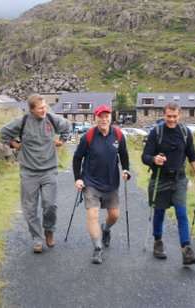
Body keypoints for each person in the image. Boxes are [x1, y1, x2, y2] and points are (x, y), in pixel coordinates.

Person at [0, 94, 71, 253]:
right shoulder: (23, 122)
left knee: (50, 206)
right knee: (30, 209)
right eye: (40, 108)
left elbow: (67, 126)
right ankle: (37, 239)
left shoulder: (52, 119)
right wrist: (14, 144)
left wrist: (62, 140)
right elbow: (3, 132)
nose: (44, 110)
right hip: (28, 172)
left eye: (45, 106)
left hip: (49, 171)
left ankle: (49, 231)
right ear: (31, 110)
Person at [142, 102, 195, 265]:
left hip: (179, 179)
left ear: (180, 115)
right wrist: (154, 159)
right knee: (159, 213)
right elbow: (145, 156)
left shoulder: (185, 133)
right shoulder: (156, 132)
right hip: (160, 179)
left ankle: (186, 250)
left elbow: (192, 155)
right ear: (164, 115)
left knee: (181, 213)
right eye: (168, 116)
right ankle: (158, 242)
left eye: (174, 116)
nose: (171, 119)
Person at [73, 105, 130, 264]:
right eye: (100, 116)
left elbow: (124, 155)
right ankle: (98, 248)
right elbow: (77, 158)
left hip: (111, 183)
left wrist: (126, 170)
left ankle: (106, 229)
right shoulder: (89, 136)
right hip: (91, 183)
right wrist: (78, 178)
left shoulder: (118, 135)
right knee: (93, 215)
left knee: (114, 215)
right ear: (95, 118)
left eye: (106, 116)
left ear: (111, 118)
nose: (104, 119)